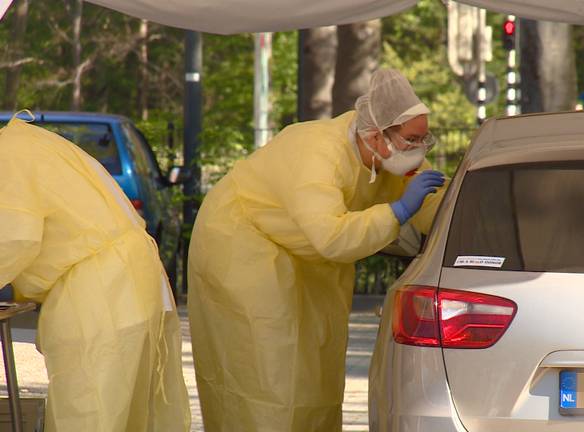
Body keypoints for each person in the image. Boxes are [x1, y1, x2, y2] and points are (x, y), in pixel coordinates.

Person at [188, 68, 447, 431]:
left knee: (316, 366)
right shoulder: (318, 154)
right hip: (243, 242)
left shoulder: (387, 152)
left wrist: (458, 203)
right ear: (376, 135)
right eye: (412, 140)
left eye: (424, 139)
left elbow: (432, 205)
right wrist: (398, 211)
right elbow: (332, 236)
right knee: (265, 369)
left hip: (304, 251)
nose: (420, 149)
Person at [0, 112, 190, 431]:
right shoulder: (30, 143)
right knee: (128, 415)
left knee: (89, 413)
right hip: (131, 280)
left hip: (101, 293)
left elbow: (13, 237)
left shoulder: (9, 156)